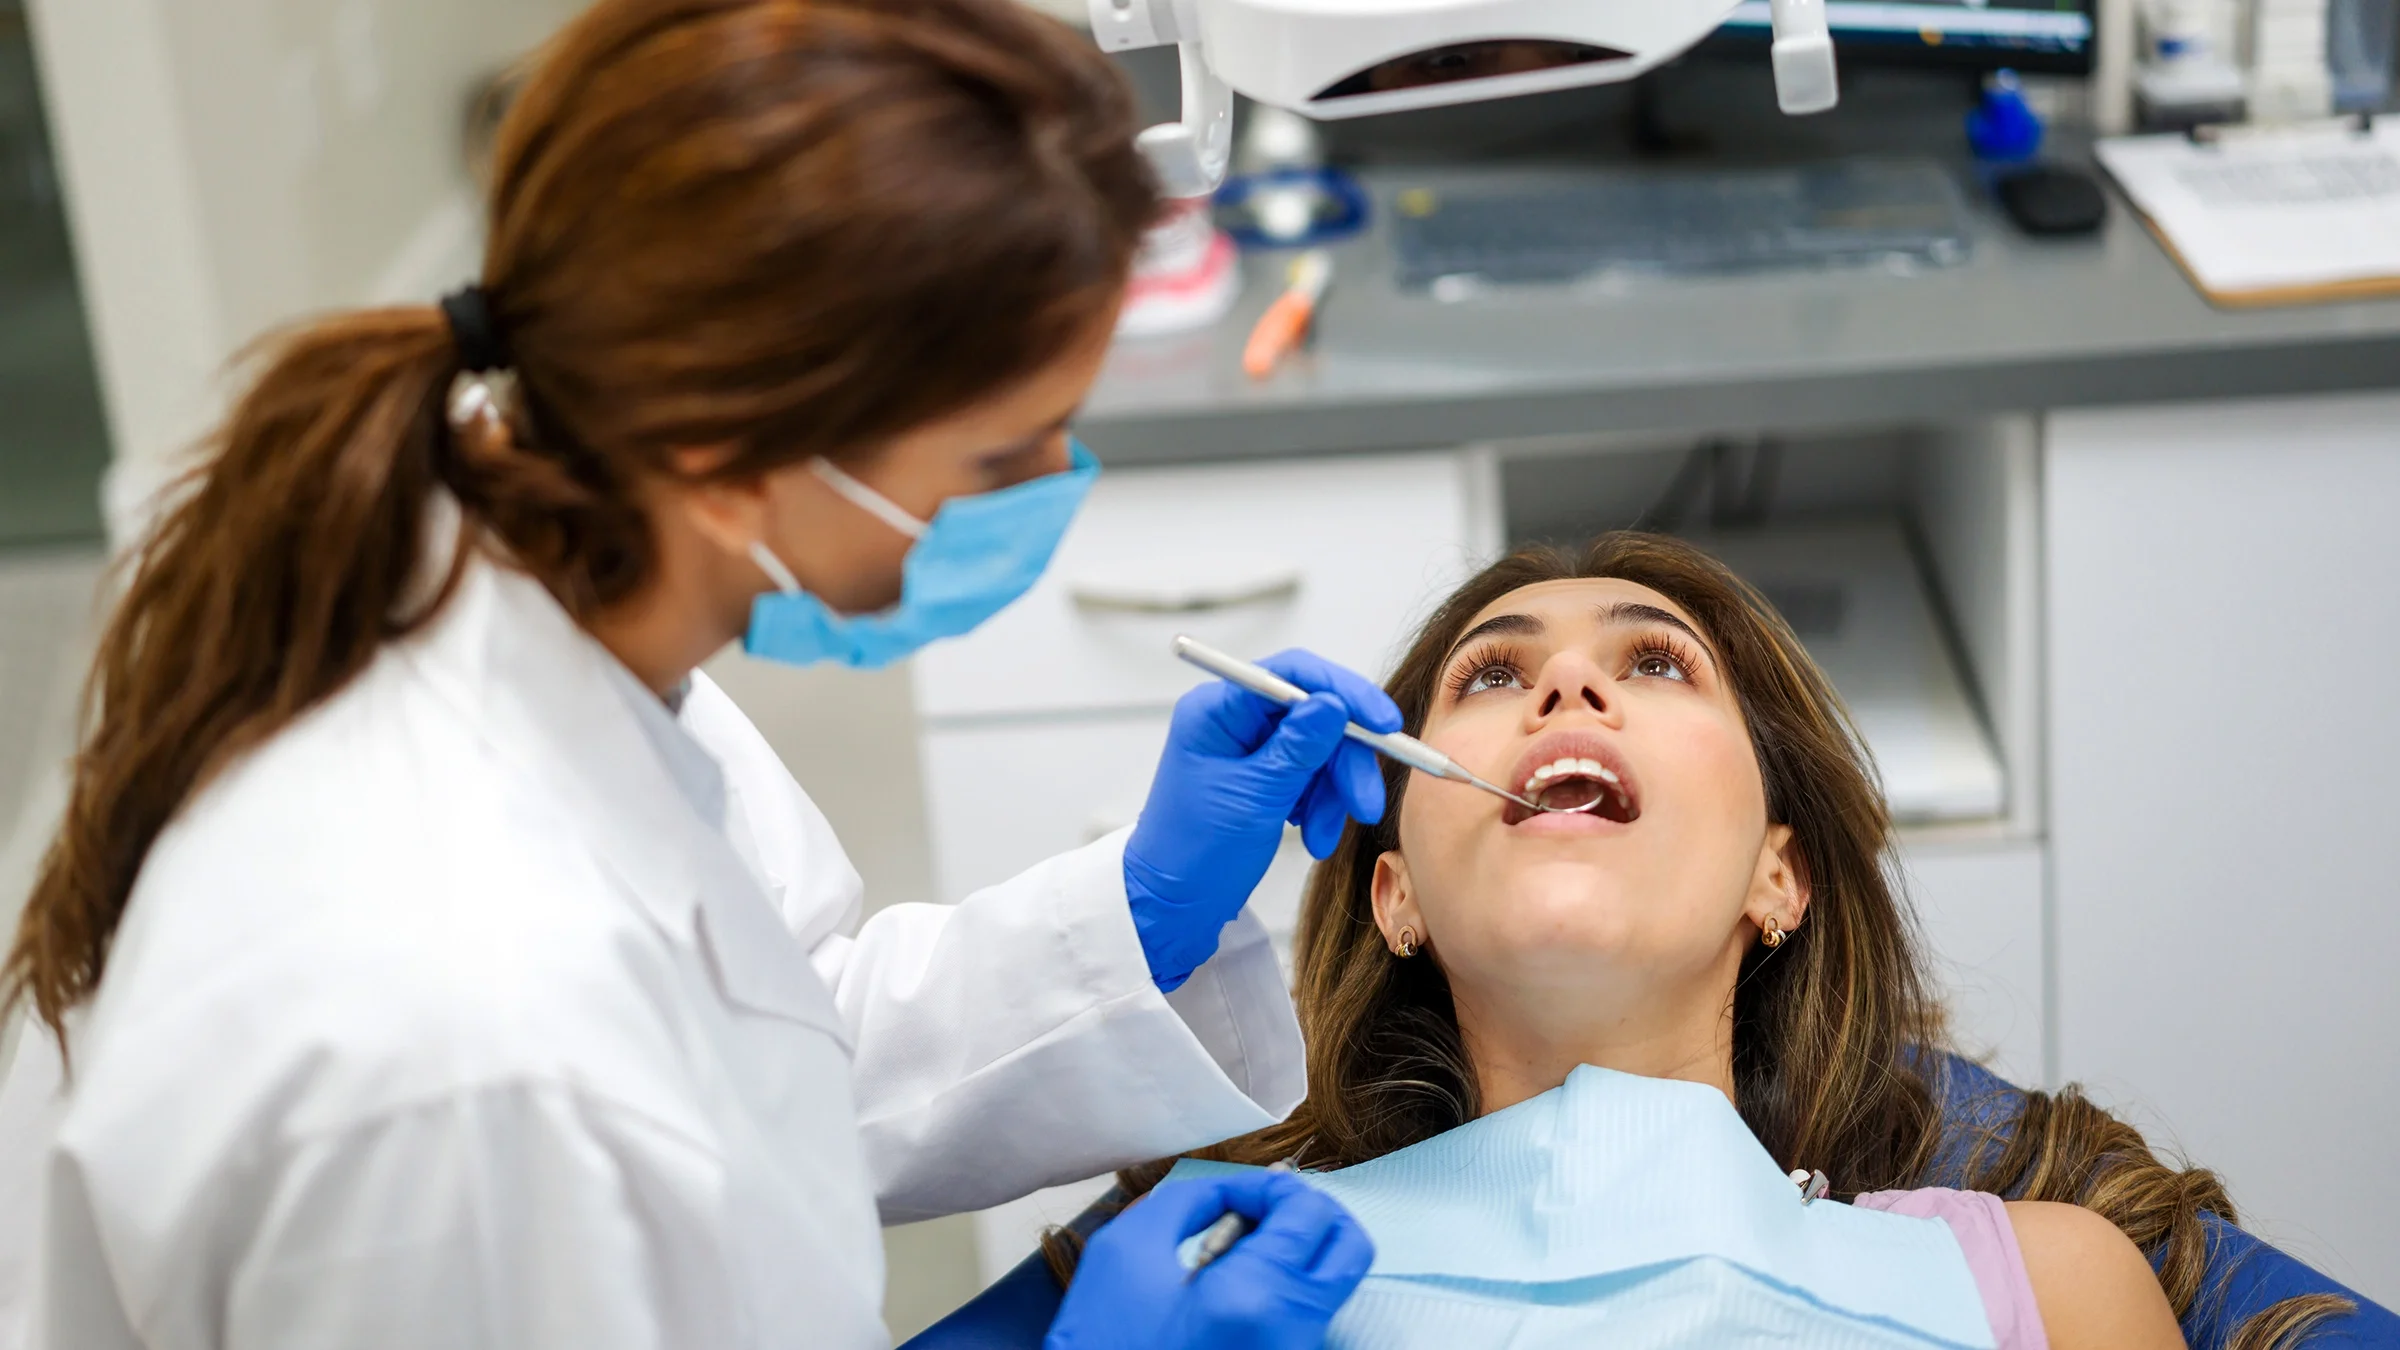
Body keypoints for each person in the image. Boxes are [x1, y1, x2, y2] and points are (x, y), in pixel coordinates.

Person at [0, 0, 1390, 1345]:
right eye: (998, 454)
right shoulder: (458, 1049)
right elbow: (618, 1103)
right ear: (732, 463)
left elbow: (762, 1057)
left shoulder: (556, 617)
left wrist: (1138, 913)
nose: (1053, 486)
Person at [1035, 534, 2395, 1350]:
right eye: (1492, 675)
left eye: (1657, 663)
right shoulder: (1228, 1288)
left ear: (1777, 878)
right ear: (1397, 895)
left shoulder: (2041, 1283)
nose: (1568, 682)